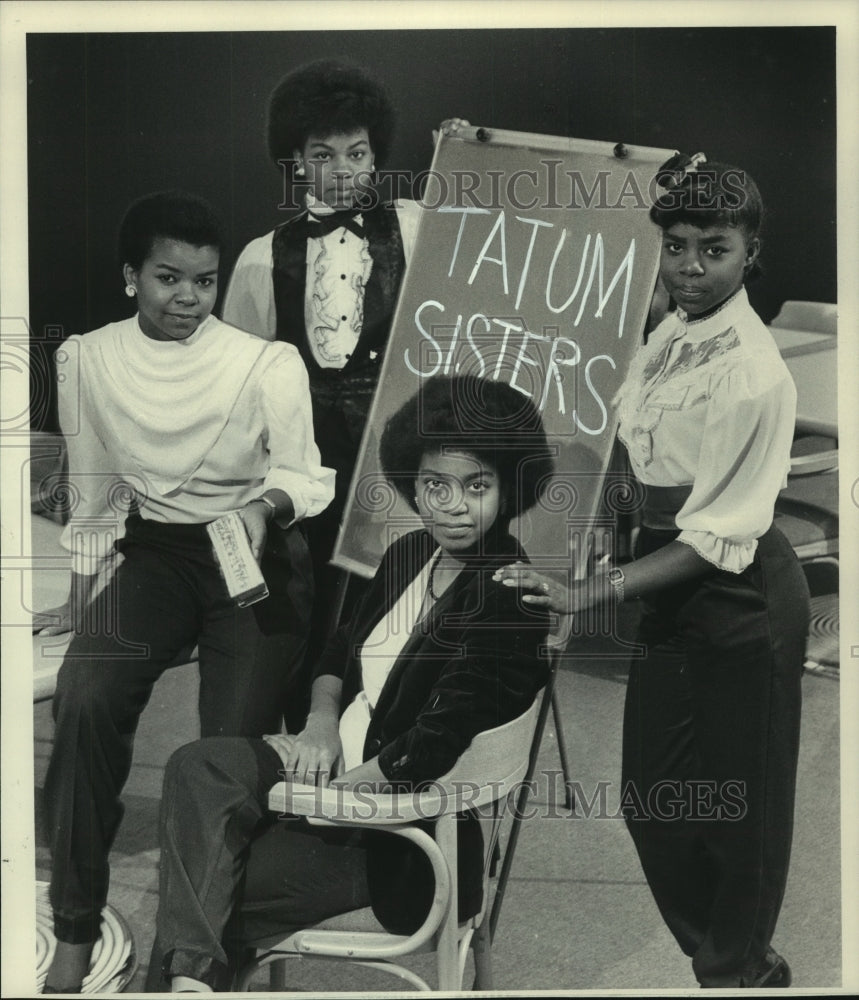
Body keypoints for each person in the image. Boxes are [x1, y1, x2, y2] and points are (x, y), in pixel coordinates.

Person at [495, 159, 810, 989]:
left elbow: (716, 536)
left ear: (751, 254)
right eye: (675, 247)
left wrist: (585, 593)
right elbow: (637, 446)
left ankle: (735, 970)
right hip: (671, 587)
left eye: (714, 250)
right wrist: (601, 531)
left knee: (737, 815)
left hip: (740, 594)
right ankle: (737, 959)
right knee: (653, 802)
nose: (690, 268)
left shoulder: (751, 372)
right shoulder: (671, 331)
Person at [145, 374, 553, 992]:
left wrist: (319, 800)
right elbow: (337, 653)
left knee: (197, 890)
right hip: (330, 767)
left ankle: (189, 983)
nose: (453, 506)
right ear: (412, 485)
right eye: (434, 485)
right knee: (196, 770)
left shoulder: (509, 598)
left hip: (395, 827)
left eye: (477, 486)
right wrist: (319, 724)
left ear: (509, 488)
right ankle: (194, 981)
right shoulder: (411, 554)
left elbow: (430, 749)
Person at [35, 191, 335, 993]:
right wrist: (81, 598)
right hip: (162, 554)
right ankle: (72, 926)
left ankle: (193, 965)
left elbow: (303, 479)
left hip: (256, 555)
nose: (188, 300)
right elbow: (96, 490)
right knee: (85, 692)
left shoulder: (264, 362)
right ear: (131, 277)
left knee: (219, 759)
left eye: (203, 282)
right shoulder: (88, 358)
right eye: (168, 279)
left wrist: (260, 509)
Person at [222, 57, 467, 692]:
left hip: (390, 449)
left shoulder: (414, 223)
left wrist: (461, 158)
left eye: (357, 153)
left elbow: (483, 247)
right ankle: (299, 755)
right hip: (305, 460)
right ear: (297, 160)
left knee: (388, 604)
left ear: (376, 154)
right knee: (304, 612)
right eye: (324, 155)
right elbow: (240, 386)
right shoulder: (259, 259)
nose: (343, 171)